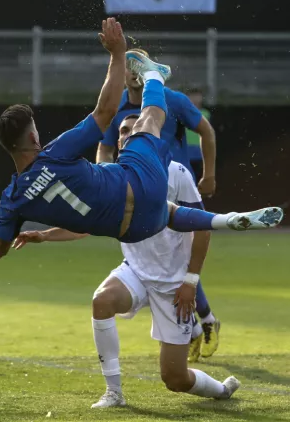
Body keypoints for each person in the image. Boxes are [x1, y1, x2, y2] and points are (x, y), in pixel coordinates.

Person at [0, 18, 283, 261]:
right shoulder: (54, 152)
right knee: (145, 123)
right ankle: (153, 76)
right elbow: (106, 112)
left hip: (138, 228)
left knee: (167, 212)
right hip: (141, 183)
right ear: (33, 136)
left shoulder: (13, 201)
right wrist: (117, 54)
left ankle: (225, 220)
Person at [13, 114, 238, 407]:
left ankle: (222, 390)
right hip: (135, 272)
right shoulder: (111, 174)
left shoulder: (176, 172)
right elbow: (90, 223)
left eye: (133, 130)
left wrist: (191, 281)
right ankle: (114, 392)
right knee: (101, 301)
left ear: (149, 137)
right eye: (122, 131)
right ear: (118, 140)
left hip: (173, 283)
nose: (126, 135)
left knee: (175, 379)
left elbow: (203, 225)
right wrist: (44, 236)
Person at [95, 55, 221, 363]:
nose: (135, 73)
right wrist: (106, 174)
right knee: (165, 261)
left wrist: (209, 174)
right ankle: (201, 323)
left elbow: (206, 131)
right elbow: (105, 145)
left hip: (179, 188)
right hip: (139, 192)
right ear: (122, 75)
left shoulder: (171, 100)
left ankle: (200, 322)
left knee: (178, 258)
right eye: (129, 67)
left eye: (140, 65)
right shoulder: (117, 108)